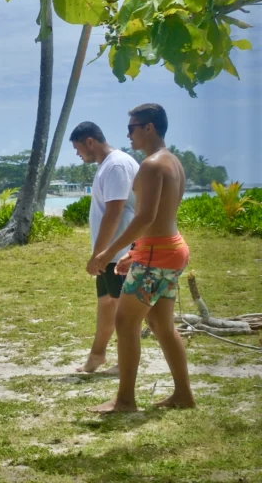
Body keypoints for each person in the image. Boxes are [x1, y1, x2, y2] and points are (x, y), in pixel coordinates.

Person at [89, 104, 195, 414]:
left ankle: (125, 401)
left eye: (133, 127)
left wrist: (110, 252)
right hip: (169, 249)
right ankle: (183, 395)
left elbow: (145, 216)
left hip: (156, 254)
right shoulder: (173, 162)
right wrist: (133, 253)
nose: (128, 133)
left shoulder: (151, 165)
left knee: (125, 321)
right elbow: (159, 217)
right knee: (162, 324)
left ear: (149, 128)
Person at [71, 123, 139, 374]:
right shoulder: (107, 165)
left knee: (123, 310)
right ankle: (97, 355)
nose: (78, 154)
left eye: (78, 148)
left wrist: (99, 255)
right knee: (106, 304)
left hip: (119, 253)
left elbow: (114, 212)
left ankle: (125, 362)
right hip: (112, 254)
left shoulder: (116, 165)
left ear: (90, 142)